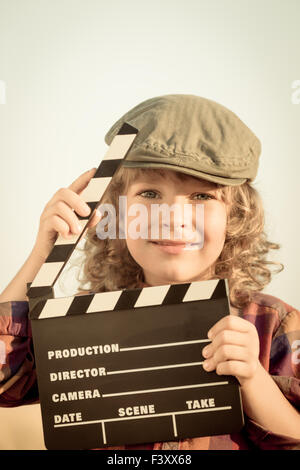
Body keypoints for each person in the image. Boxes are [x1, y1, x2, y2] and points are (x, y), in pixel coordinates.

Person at [0, 94, 299, 450]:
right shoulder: (80, 322)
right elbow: (6, 384)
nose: (172, 217)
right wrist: (42, 252)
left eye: (202, 197)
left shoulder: (274, 324)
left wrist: (253, 379)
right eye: (151, 193)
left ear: (235, 218)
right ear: (117, 212)